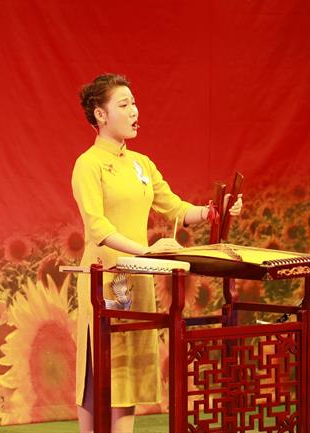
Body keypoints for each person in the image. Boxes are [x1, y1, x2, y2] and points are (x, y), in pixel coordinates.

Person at [71, 73, 241, 433]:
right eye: (124, 105)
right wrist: (147, 252)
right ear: (100, 115)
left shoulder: (141, 164)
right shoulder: (88, 164)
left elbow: (175, 208)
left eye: (134, 103)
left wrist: (214, 210)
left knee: (130, 369)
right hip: (106, 278)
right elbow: (97, 228)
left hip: (139, 276)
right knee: (102, 365)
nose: (134, 111)